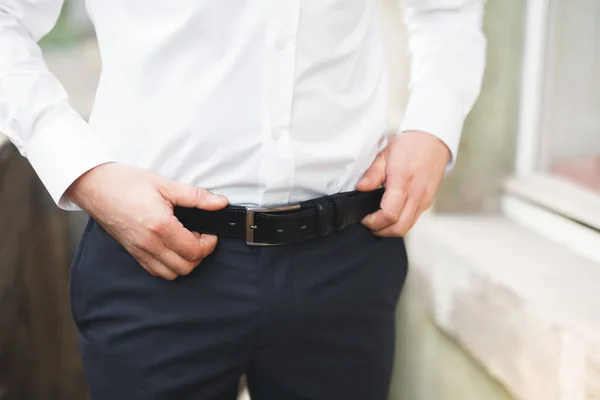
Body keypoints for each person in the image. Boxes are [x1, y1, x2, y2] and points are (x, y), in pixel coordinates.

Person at [0, 0, 486, 399]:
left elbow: (447, 10)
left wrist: (432, 127)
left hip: (346, 258)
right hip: (156, 258)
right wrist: (84, 173)